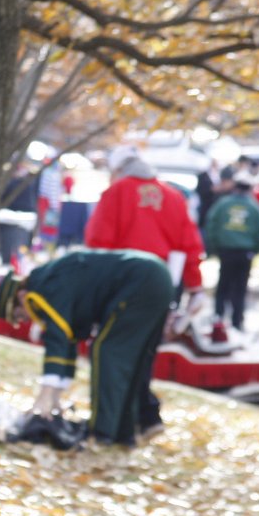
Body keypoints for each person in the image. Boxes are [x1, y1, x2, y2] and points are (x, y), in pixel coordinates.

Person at [0, 250, 174, 446]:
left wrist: (44, 398)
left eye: (18, 314)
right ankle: (126, 431)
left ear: (22, 295)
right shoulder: (49, 279)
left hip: (141, 280)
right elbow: (68, 340)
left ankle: (103, 432)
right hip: (155, 275)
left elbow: (57, 339)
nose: (23, 320)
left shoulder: (44, 288)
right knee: (133, 358)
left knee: (108, 353)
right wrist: (54, 400)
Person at [84, 144, 205, 437]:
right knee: (145, 353)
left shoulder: (116, 193)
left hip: (124, 285)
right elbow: (189, 246)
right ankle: (144, 415)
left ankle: (119, 422)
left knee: (114, 352)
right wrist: (195, 287)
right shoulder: (174, 197)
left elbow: (99, 243)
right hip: (163, 287)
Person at [203, 170, 259, 333]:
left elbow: (211, 224)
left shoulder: (223, 204)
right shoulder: (255, 207)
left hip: (226, 250)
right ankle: (236, 322)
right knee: (240, 288)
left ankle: (218, 317)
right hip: (245, 252)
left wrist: (216, 246)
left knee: (223, 286)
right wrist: (255, 250)